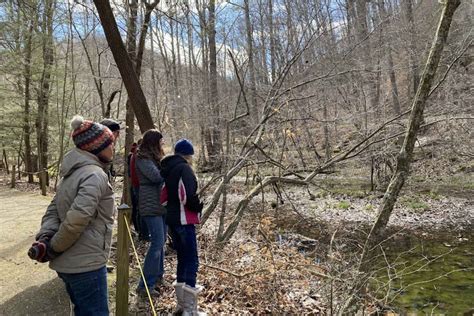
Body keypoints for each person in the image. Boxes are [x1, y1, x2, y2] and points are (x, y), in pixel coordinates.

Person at [31, 115, 116, 316]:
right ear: (96, 147)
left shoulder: (71, 173)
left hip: (70, 265)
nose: (113, 148)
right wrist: (51, 247)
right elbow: (75, 220)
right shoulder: (95, 175)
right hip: (86, 265)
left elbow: (53, 209)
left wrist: (46, 236)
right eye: (110, 144)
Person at [160, 139, 205, 315]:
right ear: (188, 155)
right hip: (185, 221)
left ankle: (181, 306)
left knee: (182, 259)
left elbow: (162, 198)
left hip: (172, 221)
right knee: (191, 260)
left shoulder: (167, 168)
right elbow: (187, 197)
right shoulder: (184, 169)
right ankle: (190, 310)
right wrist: (198, 206)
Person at [135, 129, 167, 297]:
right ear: (153, 142)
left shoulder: (155, 157)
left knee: (161, 244)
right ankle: (145, 285)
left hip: (161, 204)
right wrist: (170, 170)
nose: (162, 144)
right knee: (156, 243)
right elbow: (156, 177)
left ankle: (158, 276)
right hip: (149, 204)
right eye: (160, 141)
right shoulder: (142, 158)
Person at [127, 139, 149, 241]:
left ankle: (141, 232)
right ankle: (143, 234)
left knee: (139, 209)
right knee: (141, 210)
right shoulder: (137, 156)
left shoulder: (133, 155)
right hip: (139, 185)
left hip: (136, 185)